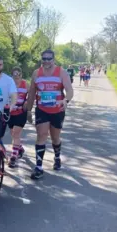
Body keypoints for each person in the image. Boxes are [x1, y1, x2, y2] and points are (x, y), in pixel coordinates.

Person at [26, 49, 74, 180]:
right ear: (41, 59)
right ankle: (39, 167)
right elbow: (31, 94)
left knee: (55, 138)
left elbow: (69, 90)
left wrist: (65, 100)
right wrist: (29, 110)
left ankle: (57, 157)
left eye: (49, 59)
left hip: (57, 111)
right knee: (41, 135)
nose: (46, 61)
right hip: (42, 109)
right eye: (44, 59)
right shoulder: (36, 73)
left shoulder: (61, 72)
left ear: (53, 59)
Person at [7, 67, 28, 168]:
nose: (17, 77)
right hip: (11, 113)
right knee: (12, 133)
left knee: (16, 133)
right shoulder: (8, 85)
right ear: (12, 76)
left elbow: (31, 95)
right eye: (15, 75)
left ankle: (13, 157)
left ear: (21, 75)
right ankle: (20, 148)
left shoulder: (25, 84)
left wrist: (27, 101)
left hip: (21, 112)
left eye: (18, 75)